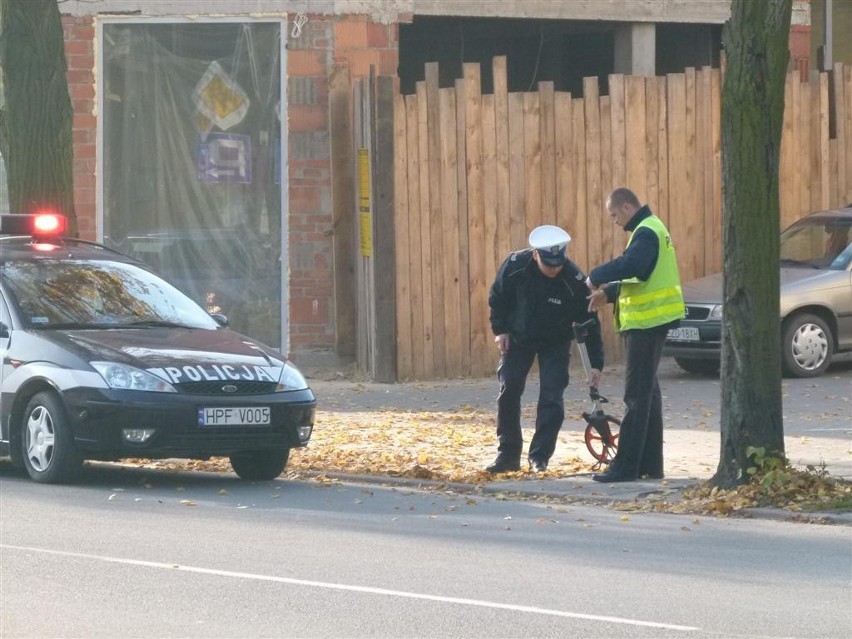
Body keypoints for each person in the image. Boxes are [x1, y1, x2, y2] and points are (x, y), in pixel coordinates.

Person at [486, 224, 604, 474]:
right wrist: (500, 330)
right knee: (508, 390)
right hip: (518, 337)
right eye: (549, 264)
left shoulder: (573, 280)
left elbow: (590, 323)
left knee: (552, 396)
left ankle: (539, 457)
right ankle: (507, 455)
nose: (554, 269)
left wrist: (596, 364)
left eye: (558, 264)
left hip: (555, 342)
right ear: (536, 254)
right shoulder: (515, 266)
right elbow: (498, 298)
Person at [586, 187, 685, 483]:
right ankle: (650, 465)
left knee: (636, 397)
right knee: (648, 396)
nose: (614, 221)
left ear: (627, 207)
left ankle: (626, 466)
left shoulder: (645, 232)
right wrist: (610, 294)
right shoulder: (650, 229)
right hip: (653, 321)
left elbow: (634, 268)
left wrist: (596, 276)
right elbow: (641, 278)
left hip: (647, 323)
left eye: (614, 214)